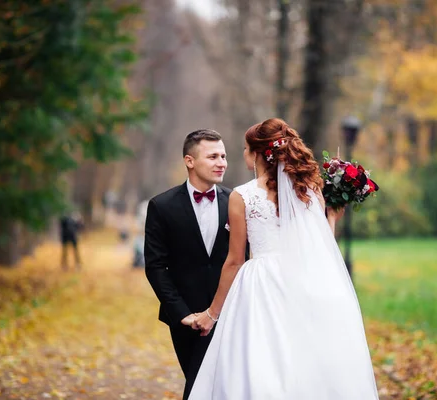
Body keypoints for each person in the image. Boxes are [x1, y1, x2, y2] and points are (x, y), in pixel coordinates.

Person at [189, 118, 379, 399]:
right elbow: (321, 246)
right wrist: (333, 220)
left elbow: (234, 261)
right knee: (303, 359)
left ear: (258, 153)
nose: (241, 154)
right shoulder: (310, 190)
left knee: (261, 362)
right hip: (303, 280)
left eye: (244, 148)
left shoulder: (242, 196)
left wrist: (212, 314)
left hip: (260, 287)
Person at [145, 129, 245, 399]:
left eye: (223, 156)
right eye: (213, 156)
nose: (221, 162)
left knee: (213, 387)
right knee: (199, 380)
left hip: (229, 313)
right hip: (186, 319)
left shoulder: (237, 201)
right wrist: (181, 313)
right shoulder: (161, 206)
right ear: (190, 161)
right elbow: (155, 266)